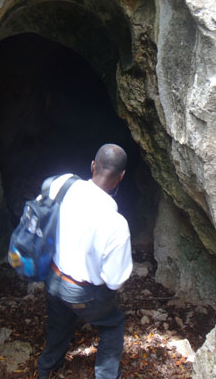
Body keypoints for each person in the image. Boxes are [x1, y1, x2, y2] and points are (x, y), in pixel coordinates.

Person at [37, 144, 133, 379]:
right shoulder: (116, 224)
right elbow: (114, 281)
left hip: (52, 278)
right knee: (112, 324)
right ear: (121, 177)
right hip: (83, 293)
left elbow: (40, 212)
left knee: (59, 322)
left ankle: (45, 369)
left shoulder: (63, 184)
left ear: (92, 166)